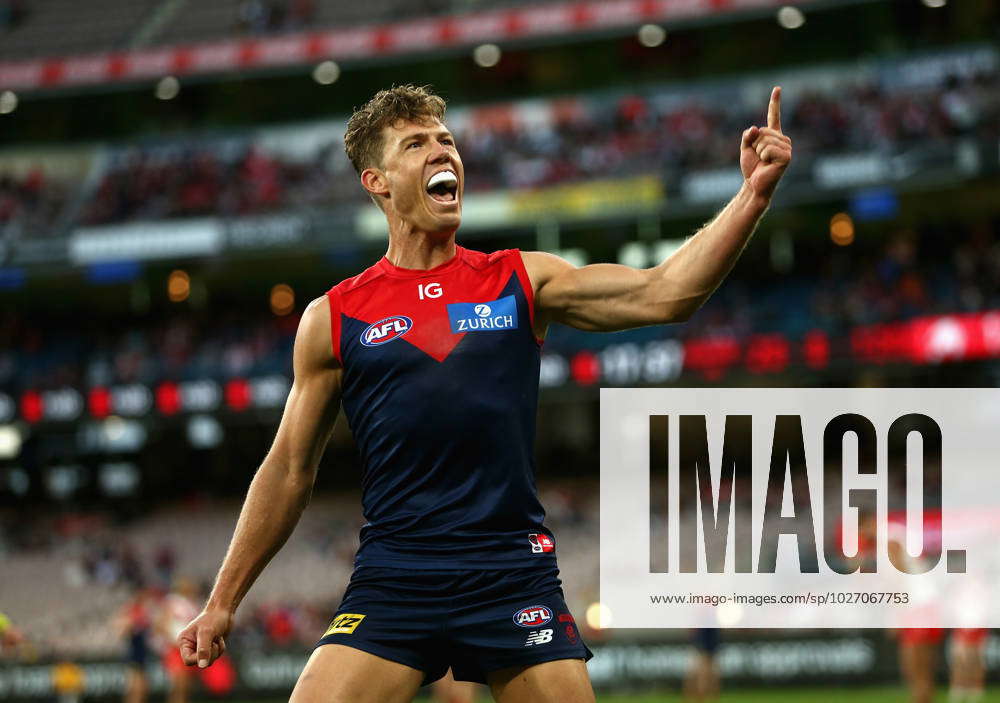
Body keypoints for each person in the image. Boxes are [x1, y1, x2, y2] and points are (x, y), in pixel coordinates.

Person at [177, 83, 792, 703]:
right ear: (378, 182)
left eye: (446, 140)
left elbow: (666, 293)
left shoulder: (519, 279)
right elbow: (288, 468)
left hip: (511, 571)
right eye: (416, 144)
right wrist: (222, 602)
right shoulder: (333, 317)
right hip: (397, 575)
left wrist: (752, 195)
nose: (441, 151)